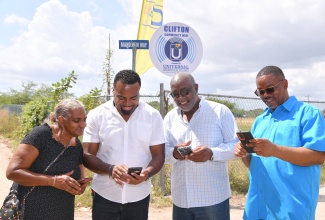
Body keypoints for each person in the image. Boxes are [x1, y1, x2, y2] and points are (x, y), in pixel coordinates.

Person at [234, 65, 325, 219]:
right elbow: (254, 164)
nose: (265, 95)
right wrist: (243, 153)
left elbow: (318, 157)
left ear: (285, 84)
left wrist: (275, 150)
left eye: (270, 89)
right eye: (260, 92)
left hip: (291, 209)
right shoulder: (260, 120)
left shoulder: (308, 114)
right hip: (258, 208)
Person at [82, 69, 165, 220]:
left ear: (139, 92)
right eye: (121, 97)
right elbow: (87, 155)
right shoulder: (97, 115)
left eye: (133, 98)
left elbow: (159, 155)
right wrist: (110, 169)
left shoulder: (152, 116)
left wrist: (147, 174)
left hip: (139, 197)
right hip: (104, 195)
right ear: (113, 91)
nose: (127, 104)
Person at [164, 72, 239, 220]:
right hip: (181, 199)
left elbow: (236, 146)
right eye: (175, 94)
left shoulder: (220, 112)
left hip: (213, 200)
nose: (181, 98)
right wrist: (174, 153)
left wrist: (211, 153)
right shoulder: (170, 118)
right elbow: (161, 152)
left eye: (185, 92)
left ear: (196, 88)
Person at [6, 98, 91, 220]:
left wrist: (79, 187)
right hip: (31, 211)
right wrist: (53, 181)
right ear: (62, 120)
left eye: (84, 120)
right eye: (77, 120)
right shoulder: (41, 136)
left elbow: (78, 180)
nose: (83, 125)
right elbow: (12, 172)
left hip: (62, 213)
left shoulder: (76, 146)